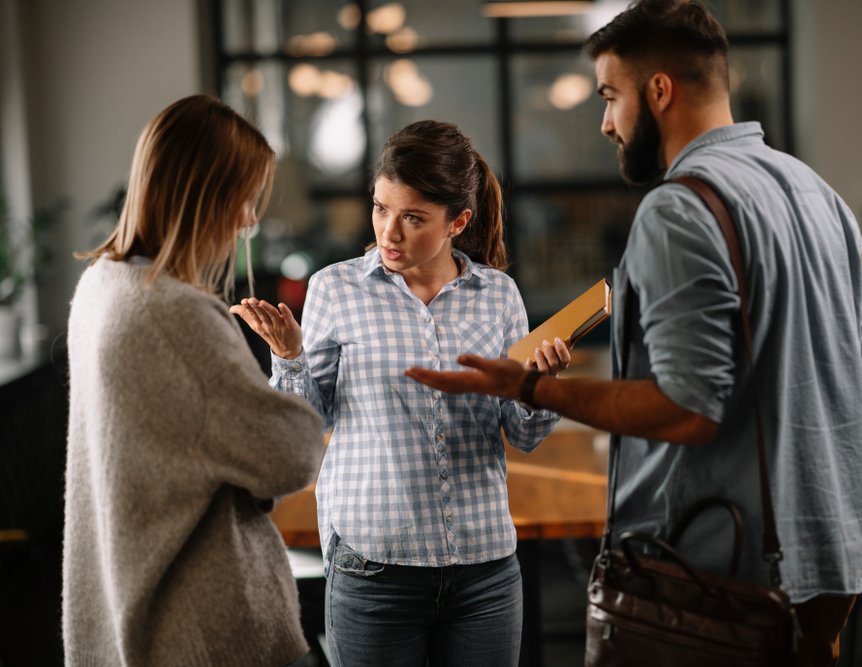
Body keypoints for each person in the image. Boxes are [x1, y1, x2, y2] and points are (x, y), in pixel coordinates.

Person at [404, 2, 862, 666]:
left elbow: (687, 408)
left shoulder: (679, 209)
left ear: (658, 91)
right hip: (827, 565)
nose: (606, 121)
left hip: (711, 580)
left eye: (610, 96)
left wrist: (534, 389)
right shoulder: (818, 195)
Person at [231, 119, 571, 667]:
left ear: (457, 221)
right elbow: (305, 423)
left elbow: (523, 434)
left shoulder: (499, 296)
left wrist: (539, 386)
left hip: (484, 572)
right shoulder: (334, 290)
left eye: (413, 218)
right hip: (374, 569)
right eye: (381, 208)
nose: (389, 232)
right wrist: (289, 357)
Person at [63, 94, 326, 666]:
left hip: (126, 609)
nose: (250, 219)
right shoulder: (172, 312)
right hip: (201, 628)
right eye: (246, 198)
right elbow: (291, 453)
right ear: (206, 195)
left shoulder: (101, 285)